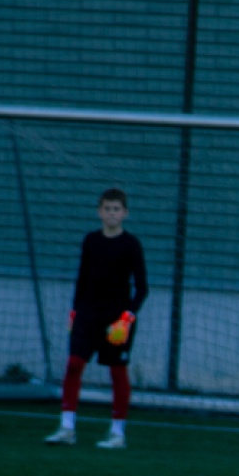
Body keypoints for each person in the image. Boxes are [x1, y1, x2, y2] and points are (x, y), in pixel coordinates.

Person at [46, 188, 149, 450]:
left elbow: (142, 288)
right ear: (99, 212)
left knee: (117, 372)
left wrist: (127, 318)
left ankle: (117, 433)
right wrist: (74, 312)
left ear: (125, 213)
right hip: (87, 315)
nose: (112, 213)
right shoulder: (90, 241)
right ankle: (67, 428)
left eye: (116, 209)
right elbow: (82, 279)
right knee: (74, 364)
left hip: (117, 319)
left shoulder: (131, 244)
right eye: (107, 209)